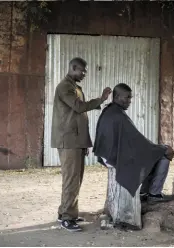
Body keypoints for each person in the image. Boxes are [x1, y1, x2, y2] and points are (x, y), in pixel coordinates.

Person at [51, 57, 112, 232]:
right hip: (68, 141)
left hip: (75, 141)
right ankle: (67, 219)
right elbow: (78, 108)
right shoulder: (65, 87)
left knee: (76, 179)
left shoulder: (74, 87)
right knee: (71, 179)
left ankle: (66, 212)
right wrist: (100, 99)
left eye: (85, 71)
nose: (84, 74)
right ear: (73, 68)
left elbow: (78, 116)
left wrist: (84, 143)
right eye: (82, 71)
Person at [93, 83, 174, 204]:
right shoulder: (118, 115)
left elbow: (135, 139)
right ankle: (154, 194)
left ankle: (144, 192)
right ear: (116, 97)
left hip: (108, 155)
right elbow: (138, 141)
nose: (130, 101)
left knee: (151, 153)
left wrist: (154, 148)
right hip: (115, 158)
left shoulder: (109, 110)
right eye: (127, 97)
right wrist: (162, 148)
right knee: (163, 156)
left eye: (130, 97)